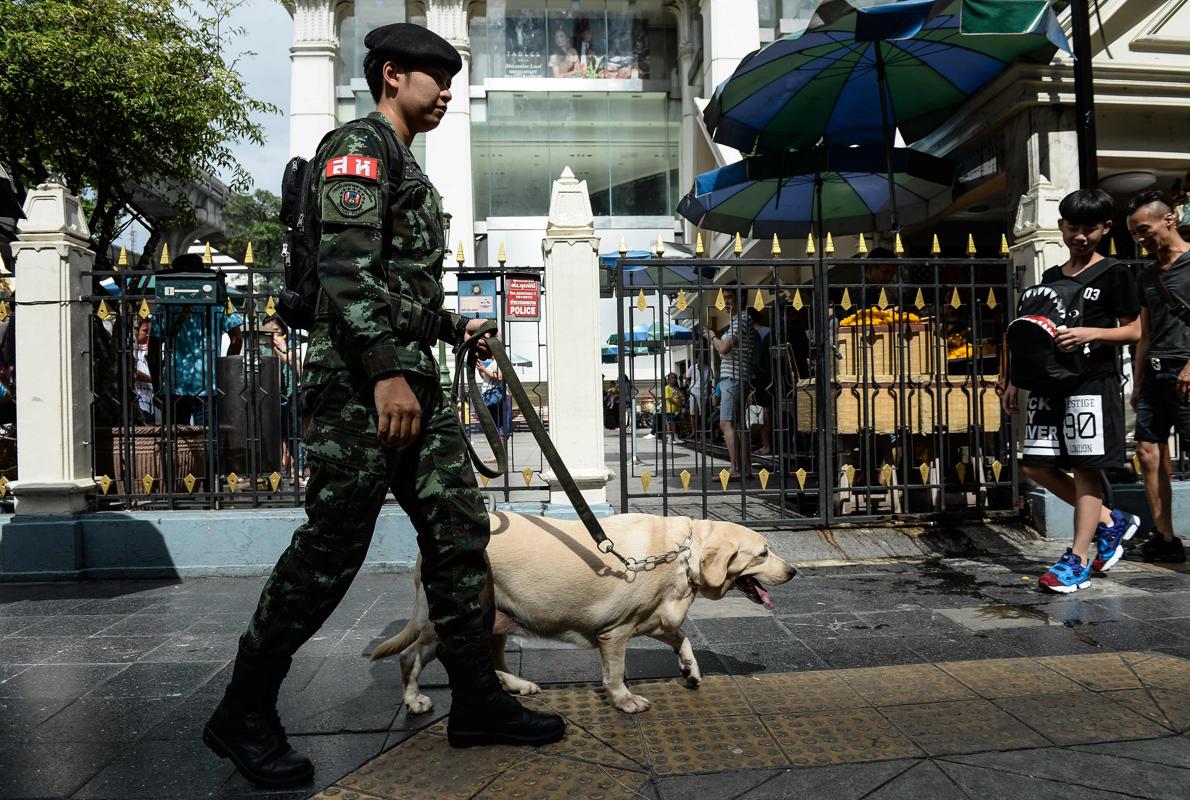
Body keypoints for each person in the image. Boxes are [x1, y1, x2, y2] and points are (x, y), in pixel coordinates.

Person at [203, 23, 564, 790]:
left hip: (410, 377)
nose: (447, 96)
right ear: (393, 74)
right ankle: (243, 709)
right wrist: (384, 375)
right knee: (332, 547)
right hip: (363, 387)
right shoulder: (358, 150)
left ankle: (475, 700)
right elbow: (344, 273)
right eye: (438, 81)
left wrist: (446, 324)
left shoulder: (404, 163)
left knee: (458, 532)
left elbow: (395, 289)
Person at [1002, 189, 1142, 592]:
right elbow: (1032, 336)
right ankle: (1110, 522)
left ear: (1105, 229)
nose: (1081, 237)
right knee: (1035, 465)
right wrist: (1015, 381)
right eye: (1074, 228)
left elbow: (1134, 329)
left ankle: (1077, 559)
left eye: (1090, 229)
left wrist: (1091, 332)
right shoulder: (1050, 279)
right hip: (1048, 383)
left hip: (1091, 384)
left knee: (1085, 469)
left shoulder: (1116, 272)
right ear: (1061, 226)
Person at [1128, 190, 1190, 564]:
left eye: (1144, 229)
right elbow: (1144, 333)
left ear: (1170, 219)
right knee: (1147, 452)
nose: (1140, 239)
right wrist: (1137, 383)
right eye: (1135, 233)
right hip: (1154, 373)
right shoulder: (1147, 274)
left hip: (1186, 370)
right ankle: (1165, 538)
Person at [704, 288, 756, 479]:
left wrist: (711, 337)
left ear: (740, 298)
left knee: (726, 422)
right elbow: (725, 349)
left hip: (733, 378)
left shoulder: (741, 319)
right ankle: (745, 468)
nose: (726, 302)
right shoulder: (738, 321)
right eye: (724, 298)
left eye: (729, 297)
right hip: (734, 377)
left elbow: (724, 348)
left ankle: (735, 468)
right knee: (738, 425)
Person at [747, 307, 774, 455]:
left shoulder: (755, 334)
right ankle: (767, 443)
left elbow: (755, 359)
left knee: (763, 412)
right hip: (772, 376)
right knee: (767, 410)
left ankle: (766, 444)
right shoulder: (769, 331)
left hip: (760, 377)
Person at [476, 352, 506, 462]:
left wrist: (483, 369)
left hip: (494, 396)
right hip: (491, 395)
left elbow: (499, 376)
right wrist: (481, 369)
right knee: (495, 426)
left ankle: (498, 455)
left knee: (496, 426)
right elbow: (486, 377)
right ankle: (498, 454)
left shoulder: (498, 361)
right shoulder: (494, 362)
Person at [134, 317, 156, 424]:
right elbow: (134, 372)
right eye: (145, 331)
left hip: (150, 403)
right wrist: (153, 379)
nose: (147, 335)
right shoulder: (133, 352)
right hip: (139, 401)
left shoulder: (147, 351)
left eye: (149, 332)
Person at [663, 371, 684, 444]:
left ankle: (676, 437)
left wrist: (680, 404)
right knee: (670, 423)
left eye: (675, 378)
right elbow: (668, 398)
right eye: (672, 378)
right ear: (668, 380)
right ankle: (669, 438)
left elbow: (680, 396)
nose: (674, 380)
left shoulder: (676, 388)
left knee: (675, 423)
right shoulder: (667, 388)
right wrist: (677, 405)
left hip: (676, 409)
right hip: (670, 409)